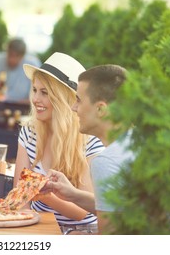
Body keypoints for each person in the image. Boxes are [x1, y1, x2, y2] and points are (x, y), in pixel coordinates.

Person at [14, 52, 105, 234]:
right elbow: (20, 199)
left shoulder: (89, 141)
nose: (35, 99)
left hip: (81, 232)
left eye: (44, 93)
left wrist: (45, 197)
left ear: (62, 99)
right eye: (34, 90)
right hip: (40, 227)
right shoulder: (28, 133)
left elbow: (82, 213)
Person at [42, 64, 131, 234]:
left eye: (79, 100)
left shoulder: (106, 161)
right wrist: (72, 194)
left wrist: (71, 236)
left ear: (100, 109)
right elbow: (119, 211)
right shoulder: (137, 142)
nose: (73, 108)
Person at [0, 38, 41, 102]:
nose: (12, 59)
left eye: (16, 56)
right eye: (10, 55)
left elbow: (38, 94)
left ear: (23, 56)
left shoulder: (32, 65)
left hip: (22, 107)